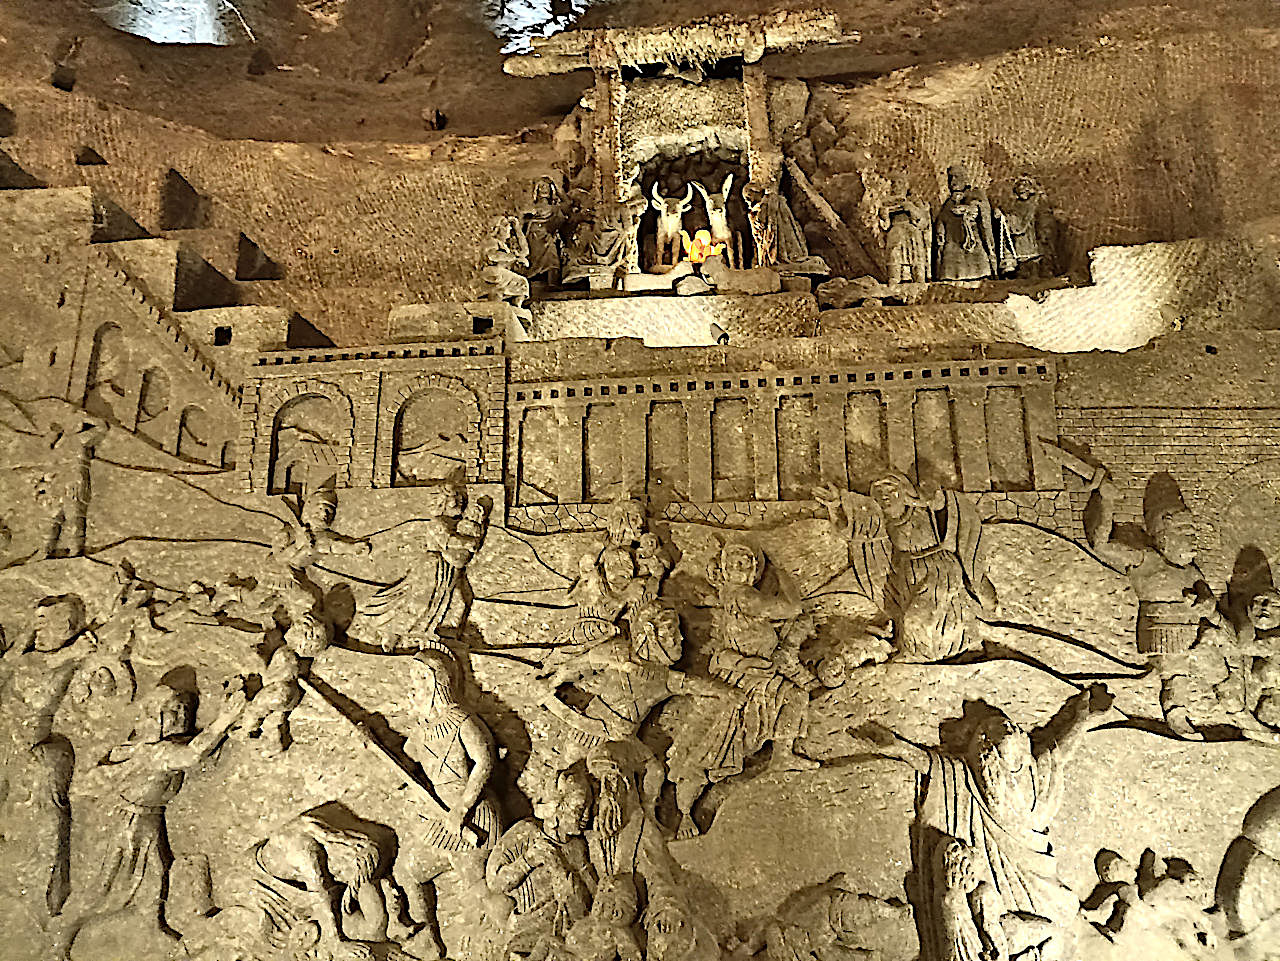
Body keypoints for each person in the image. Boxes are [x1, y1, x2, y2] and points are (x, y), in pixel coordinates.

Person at [850, 684, 1114, 961]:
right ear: (984, 743)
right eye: (1001, 728)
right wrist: (897, 747)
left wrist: (1083, 718)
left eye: (1011, 726)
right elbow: (933, 765)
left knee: (1046, 928)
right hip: (991, 878)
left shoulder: (1036, 778)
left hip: (1036, 876)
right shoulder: (967, 776)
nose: (1010, 729)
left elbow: (1060, 752)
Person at [57, 681, 245, 960]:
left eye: (185, 711)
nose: (180, 717)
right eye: (172, 711)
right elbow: (193, 755)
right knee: (101, 887)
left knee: (156, 873)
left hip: (149, 819)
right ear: (154, 716)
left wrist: (226, 715)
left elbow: (199, 750)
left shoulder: (170, 746)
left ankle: (152, 924)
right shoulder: (151, 750)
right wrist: (225, 719)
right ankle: (61, 936)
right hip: (123, 821)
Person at [671, 543, 821, 839]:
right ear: (725, 568)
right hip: (744, 678)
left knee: (791, 697)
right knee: (719, 741)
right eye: (734, 562)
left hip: (750, 671)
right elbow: (792, 608)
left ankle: (781, 756)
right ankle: (687, 814)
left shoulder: (730, 594)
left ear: (753, 570)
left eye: (745, 562)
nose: (739, 567)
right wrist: (782, 574)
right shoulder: (744, 595)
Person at [394, 651, 500, 957]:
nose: (413, 687)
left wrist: (463, 807)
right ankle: (428, 940)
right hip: (440, 821)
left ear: (438, 683)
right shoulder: (421, 729)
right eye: (412, 679)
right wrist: (371, 741)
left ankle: (501, 938)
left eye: (420, 679)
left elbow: (484, 760)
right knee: (407, 872)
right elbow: (407, 765)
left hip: (472, 819)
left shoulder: (460, 719)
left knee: (476, 889)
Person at [0, 594, 97, 918]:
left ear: (65, 625)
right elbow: (21, 665)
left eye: (45, 619)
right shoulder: (28, 658)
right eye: (36, 618)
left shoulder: (66, 658)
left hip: (30, 749)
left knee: (51, 823)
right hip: (10, 748)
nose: (37, 625)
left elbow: (40, 684)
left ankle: (51, 899)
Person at [934, 164, 996, 281]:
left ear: (965, 178)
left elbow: (984, 217)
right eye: (950, 178)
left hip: (972, 247)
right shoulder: (948, 203)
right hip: (951, 249)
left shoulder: (975, 194)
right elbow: (942, 219)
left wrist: (971, 209)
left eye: (957, 177)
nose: (953, 181)